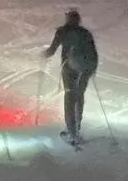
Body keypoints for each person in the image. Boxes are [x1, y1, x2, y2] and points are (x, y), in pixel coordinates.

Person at [42, 8, 98, 144]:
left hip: (69, 68)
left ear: (68, 18)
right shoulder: (85, 33)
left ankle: (72, 131)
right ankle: (77, 126)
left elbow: (52, 50)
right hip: (85, 69)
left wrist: (42, 56)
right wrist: (92, 69)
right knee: (80, 95)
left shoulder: (62, 31)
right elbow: (93, 52)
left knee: (70, 97)